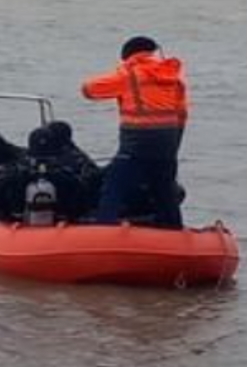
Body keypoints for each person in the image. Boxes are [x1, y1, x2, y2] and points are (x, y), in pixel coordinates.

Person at [81, 35, 188, 228]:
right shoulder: (173, 78)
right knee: (164, 189)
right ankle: (174, 230)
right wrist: (173, 148)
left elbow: (88, 90)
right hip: (167, 143)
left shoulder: (129, 75)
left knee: (114, 184)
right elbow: (182, 115)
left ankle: (104, 229)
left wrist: (121, 71)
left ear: (128, 56)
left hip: (137, 142)